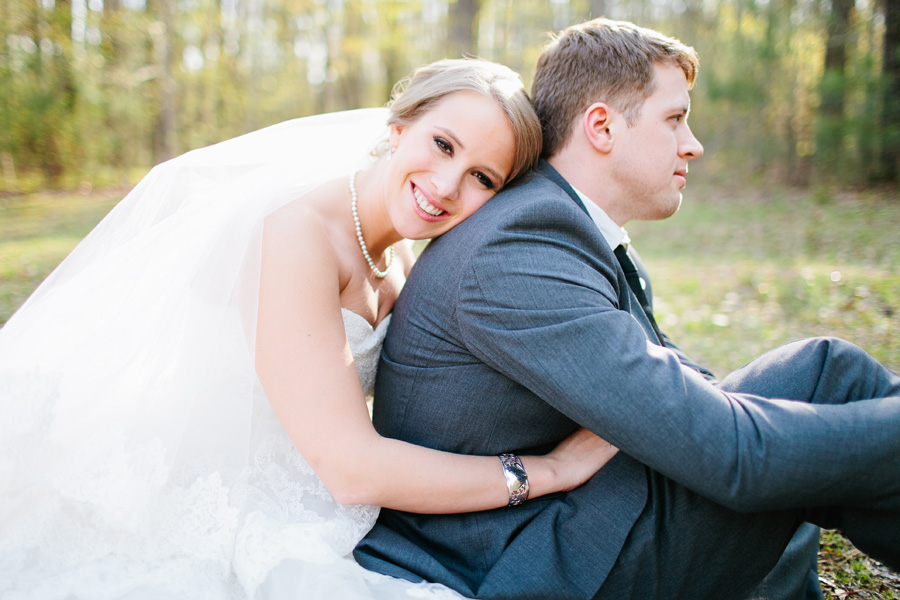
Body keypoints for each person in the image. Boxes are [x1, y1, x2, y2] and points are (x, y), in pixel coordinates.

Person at [0, 58, 619, 600]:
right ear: (397, 127)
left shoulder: (408, 255)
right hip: (222, 486)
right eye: (442, 144)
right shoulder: (298, 234)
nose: (447, 185)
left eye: (484, 177)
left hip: (326, 481)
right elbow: (351, 468)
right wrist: (549, 471)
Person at [355, 19, 900, 600]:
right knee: (819, 386)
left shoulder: (557, 222)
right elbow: (734, 457)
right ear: (602, 126)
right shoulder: (516, 248)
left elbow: (677, 388)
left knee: (820, 375)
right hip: (524, 561)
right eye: (675, 119)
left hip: (571, 511)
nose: (693, 144)